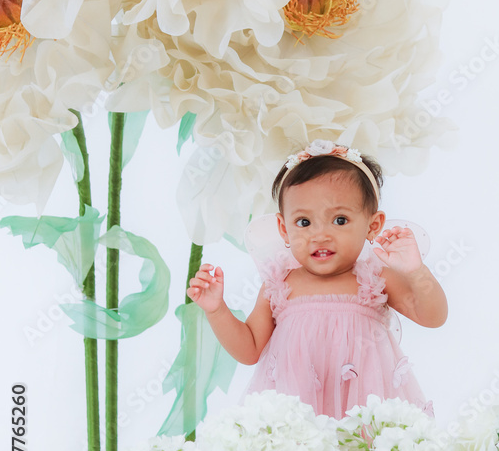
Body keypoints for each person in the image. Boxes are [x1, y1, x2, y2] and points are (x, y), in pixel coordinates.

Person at [186, 141, 448, 419]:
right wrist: (217, 310)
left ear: (372, 225)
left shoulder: (375, 277)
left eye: (339, 220)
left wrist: (416, 271)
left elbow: (433, 316)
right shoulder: (280, 283)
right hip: (297, 419)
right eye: (304, 222)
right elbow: (249, 349)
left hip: (363, 410)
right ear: (283, 229)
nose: (320, 235)